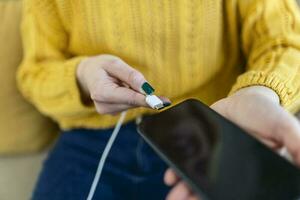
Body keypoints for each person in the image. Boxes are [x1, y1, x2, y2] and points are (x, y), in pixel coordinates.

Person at [17, 0, 300, 199]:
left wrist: (258, 92)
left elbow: (284, 41)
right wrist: (82, 75)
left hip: (209, 126)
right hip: (93, 140)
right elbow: (35, 75)